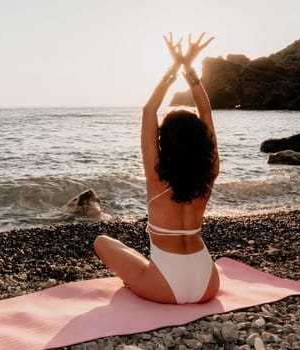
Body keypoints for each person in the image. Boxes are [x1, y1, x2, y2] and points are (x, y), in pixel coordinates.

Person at [94, 33, 220, 304]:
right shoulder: (209, 173)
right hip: (208, 284)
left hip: (165, 287)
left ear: (165, 142)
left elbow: (149, 110)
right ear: (201, 142)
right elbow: (206, 112)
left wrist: (174, 68)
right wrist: (188, 67)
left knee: (101, 242)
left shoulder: (156, 176)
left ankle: (144, 277)